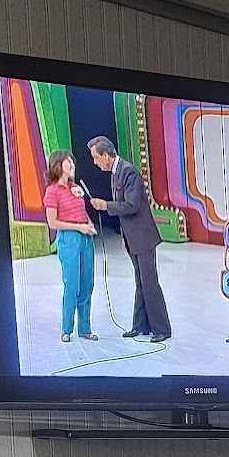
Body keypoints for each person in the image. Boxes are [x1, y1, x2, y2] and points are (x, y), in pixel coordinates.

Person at [87, 136, 172, 345]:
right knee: (140, 281)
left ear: (106, 156)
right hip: (132, 237)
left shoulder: (128, 171)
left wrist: (105, 206)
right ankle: (140, 325)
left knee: (149, 282)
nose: (95, 163)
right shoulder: (115, 173)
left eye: (96, 157)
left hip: (143, 236)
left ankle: (161, 328)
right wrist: (124, 237)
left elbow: (131, 205)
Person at [42, 150, 97, 344]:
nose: (72, 165)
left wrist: (88, 223)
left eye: (72, 162)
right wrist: (78, 227)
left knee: (87, 284)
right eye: (68, 162)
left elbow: (80, 211)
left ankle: (85, 328)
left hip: (85, 238)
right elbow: (53, 222)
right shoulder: (52, 191)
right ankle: (66, 329)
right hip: (69, 239)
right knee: (72, 284)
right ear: (58, 165)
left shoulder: (75, 188)